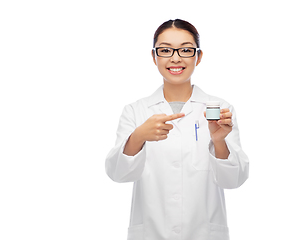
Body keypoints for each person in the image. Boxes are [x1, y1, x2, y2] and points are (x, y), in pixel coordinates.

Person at [105, 19, 249, 240]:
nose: (175, 57)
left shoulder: (220, 109)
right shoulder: (136, 111)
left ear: (198, 57)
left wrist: (219, 141)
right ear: (154, 56)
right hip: (151, 233)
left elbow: (234, 180)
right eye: (165, 50)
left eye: (185, 50)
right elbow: (117, 174)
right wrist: (138, 137)